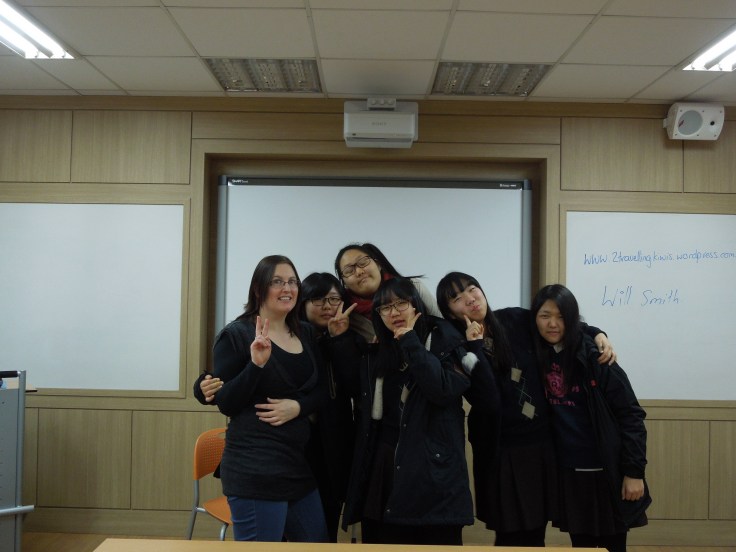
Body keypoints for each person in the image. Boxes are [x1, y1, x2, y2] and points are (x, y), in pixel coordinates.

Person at [436, 272, 616, 547]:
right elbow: (488, 399)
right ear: (449, 312)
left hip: (542, 443)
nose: (469, 299)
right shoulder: (457, 347)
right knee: (511, 534)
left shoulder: (514, 319)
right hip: (501, 450)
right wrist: (475, 346)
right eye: (457, 298)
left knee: (535, 532)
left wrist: (597, 333)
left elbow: (558, 324)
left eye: (472, 289)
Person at [329, 277, 496, 546]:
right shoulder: (377, 350)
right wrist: (340, 340)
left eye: (401, 304)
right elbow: (354, 393)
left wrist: (410, 340)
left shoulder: (445, 340)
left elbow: (442, 390)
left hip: (433, 470)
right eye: (385, 307)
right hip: (385, 467)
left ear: (416, 305)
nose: (394, 312)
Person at [209, 254, 328, 542]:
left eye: (292, 282)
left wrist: (297, 407)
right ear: (259, 289)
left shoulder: (305, 332)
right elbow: (226, 402)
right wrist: (256, 365)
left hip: (295, 465)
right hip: (255, 468)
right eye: (277, 282)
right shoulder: (236, 335)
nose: (287, 289)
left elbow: (322, 390)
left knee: (317, 544)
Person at [531, 284, 649, 552]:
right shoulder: (537, 353)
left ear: (572, 319)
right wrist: (596, 331)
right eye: (545, 316)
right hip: (569, 473)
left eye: (561, 317)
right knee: (581, 546)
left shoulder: (597, 357)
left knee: (613, 545)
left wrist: (634, 472)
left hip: (607, 472)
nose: (552, 324)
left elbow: (631, 415)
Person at [297, 272, 356, 542]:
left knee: (327, 522)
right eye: (318, 299)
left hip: (335, 441)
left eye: (334, 299)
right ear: (303, 303)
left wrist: (339, 339)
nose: (327, 306)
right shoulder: (289, 338)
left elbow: (354, 385)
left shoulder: (350, 337)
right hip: (298, 443)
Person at [335, 243, 440, 342]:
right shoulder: (344, 316)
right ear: (344, 282)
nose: (359, 272)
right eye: (349, 271)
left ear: (378, 264)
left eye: (363, 263)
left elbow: (442, 325)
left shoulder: (412, 287)